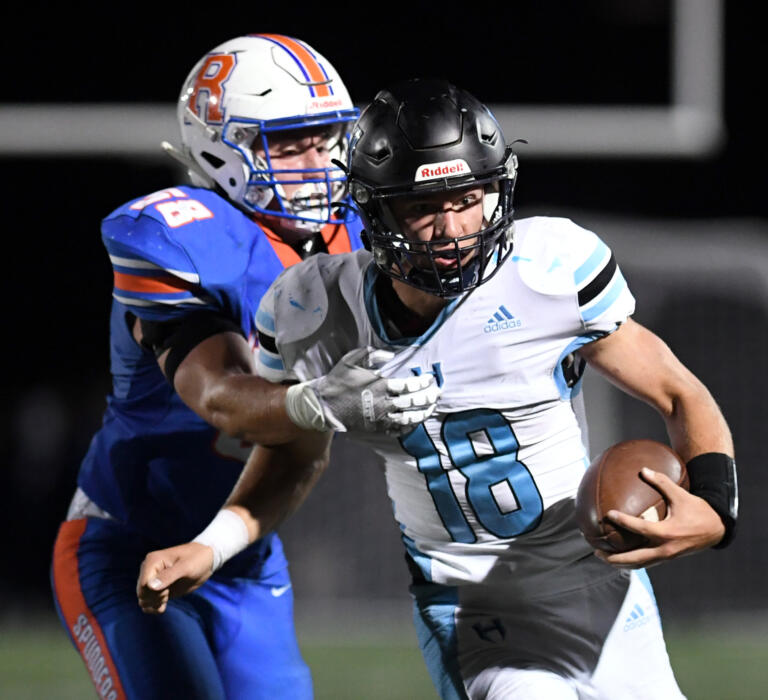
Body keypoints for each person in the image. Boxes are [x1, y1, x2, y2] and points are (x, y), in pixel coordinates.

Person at [137, 79, 738, 699]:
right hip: (475, 612)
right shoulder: (311, 309)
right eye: (422, 207)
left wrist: (716, 509)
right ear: (374, 211)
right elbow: (291, 451)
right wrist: (213, 545)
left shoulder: (549, 271)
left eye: (469, 196)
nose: (452, 229)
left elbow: (677, 392)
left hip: (603, 586)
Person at [50, 37, 439, 700]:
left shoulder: (362, 232)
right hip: (124, 545)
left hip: (245, 551)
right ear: (218, 150)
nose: (318, 163)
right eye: (289, 145)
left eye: (327, 139)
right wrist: (322, 402)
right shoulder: (181, 236)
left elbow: (302, 450)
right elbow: (223, 401)